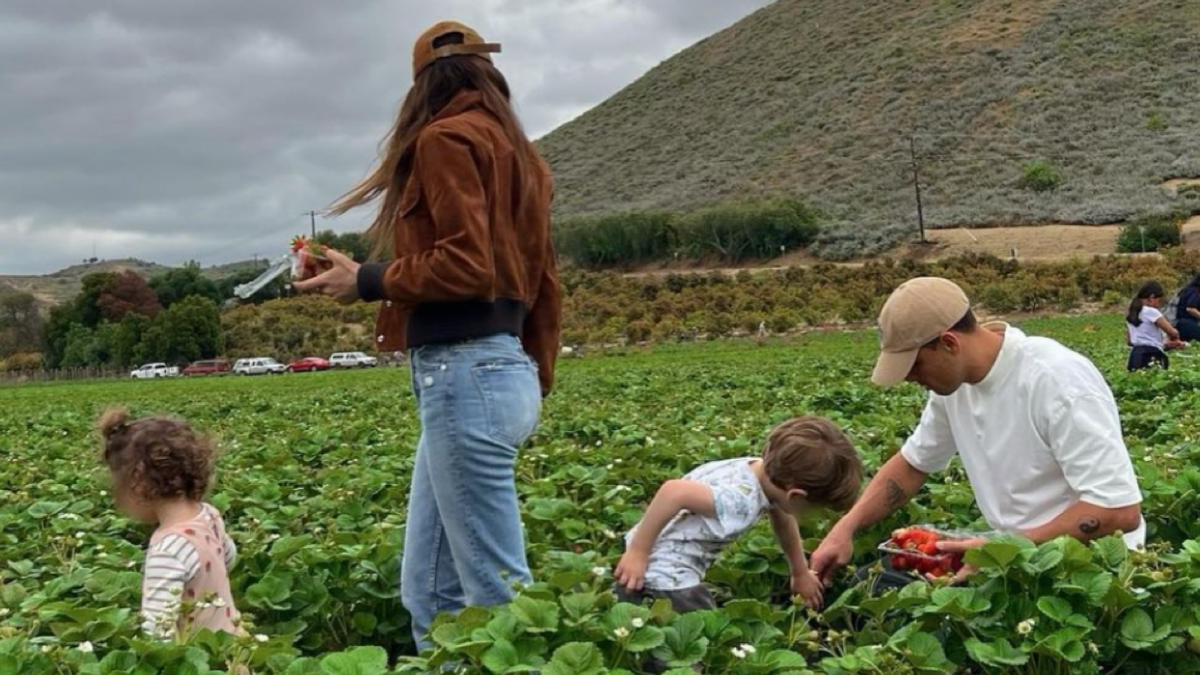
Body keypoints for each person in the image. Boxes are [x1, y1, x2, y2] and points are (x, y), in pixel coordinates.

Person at [292, 21, 561, 647]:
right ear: (488, 79)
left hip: (465, 375)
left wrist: (367, 280)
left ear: (423, 88)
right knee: (429, 587)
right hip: (501, 373)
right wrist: (533, 375)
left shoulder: (444, 139)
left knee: (495, 592)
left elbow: (467, 265)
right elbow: (544, 281)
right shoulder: (524, 159)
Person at [810, 277, 1145, 589]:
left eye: (914, 366)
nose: (910, 378)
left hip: (1086, 565)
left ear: (949, 343)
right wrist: (846, 527)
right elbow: (914, 464)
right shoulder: (952, 387)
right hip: (1008, 552)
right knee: (871, 582)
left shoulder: (1056, 381)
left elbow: (1118, 511)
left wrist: (1003, 550)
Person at [614, 416, 863, 613]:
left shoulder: (759, 469)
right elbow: (673, 492)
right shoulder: (740, 502)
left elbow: (783, 517)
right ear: (796, 496)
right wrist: (639, 553)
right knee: (700, 640)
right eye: (814, 510)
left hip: (648, 556)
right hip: (669, 577)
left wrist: (799, 572)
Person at [98, 408, 241, 640]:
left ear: (137, 483)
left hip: (198, 657)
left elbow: (157, 631)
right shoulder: (209, 515)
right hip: (234, 646)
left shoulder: (169, 549)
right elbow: (229, 559)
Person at [1126, 281, 1182, 371]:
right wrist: (1176, 338)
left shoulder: (1132, 313)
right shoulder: (1151, 312)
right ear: (1152, 297)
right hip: (1152, 354)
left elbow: (1129, 341)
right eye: (1159, 301)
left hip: (1135, 356)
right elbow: (1172, 331)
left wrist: (1166, 344)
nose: (1158, 305)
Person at [1173, 274, 1200, 342]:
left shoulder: (1189, 290)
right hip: (1186, 322)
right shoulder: (1195, 291)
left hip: (1181, 323)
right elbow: (1190, 309)